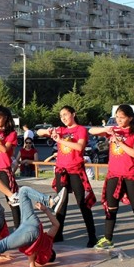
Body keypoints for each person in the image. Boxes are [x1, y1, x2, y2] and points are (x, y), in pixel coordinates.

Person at [89, 104, 134, 254]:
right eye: (117, 117)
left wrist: (120, 142)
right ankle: (108, 238)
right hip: (114, 174)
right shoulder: (113, 129)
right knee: (111, 208)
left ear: (130, 118)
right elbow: (91, 130)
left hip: (130, 175)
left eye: (122, 117)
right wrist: (105, 130)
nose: (119, 120)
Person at [36, 106, 98, 248]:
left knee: (82, 203)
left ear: (73, 114)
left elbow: (79, 147)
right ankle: (58, 234)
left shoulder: (80, 129)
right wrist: (48, 131)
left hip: (75, 170)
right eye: (61, 115)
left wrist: (60, 140)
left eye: (65, 114)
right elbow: (38, 132)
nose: (63, 118)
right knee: (60, 203)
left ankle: (92, 236)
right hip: (61, 170)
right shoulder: (61, 130)